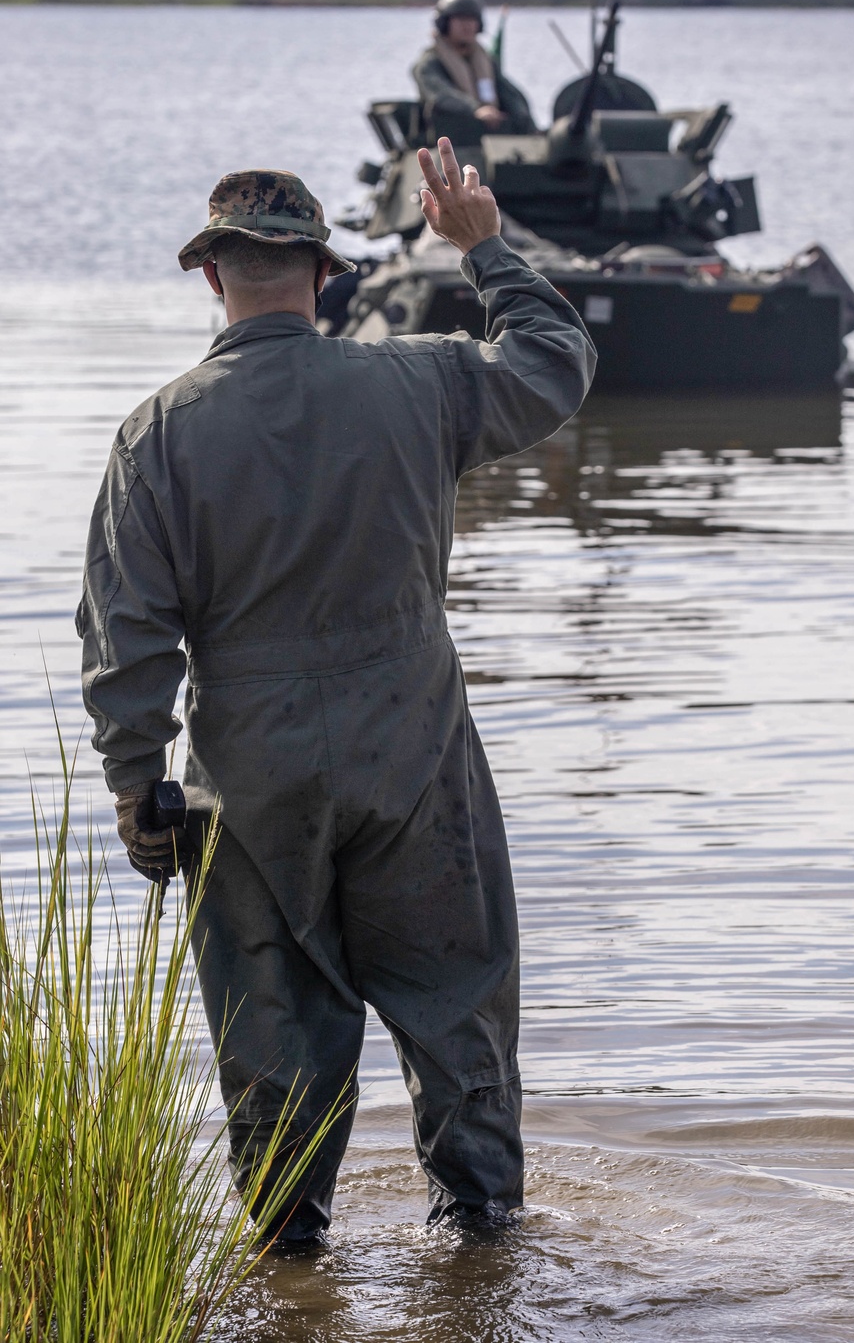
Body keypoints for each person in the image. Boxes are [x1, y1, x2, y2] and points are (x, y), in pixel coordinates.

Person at [77, 143, 595, 1246]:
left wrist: (137, 790)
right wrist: (484, 247)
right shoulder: (424, 379)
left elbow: (127, 646)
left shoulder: (157, 434)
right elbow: (555, 362)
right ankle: (481, 1257)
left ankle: (292, 1274)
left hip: (249, 783)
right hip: (414, 759)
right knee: (459, 1026)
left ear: (211, 278)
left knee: (273, 1056)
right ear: (322, 272)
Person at [412, 0, 535, 135]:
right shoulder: (430, 64)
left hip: (490, 136)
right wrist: (475, 109)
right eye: (460, 19)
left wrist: (524, 119)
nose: (467, 25)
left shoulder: (486, 61)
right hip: (448, 137)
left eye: (472, 19)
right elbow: (441, 95)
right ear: (444, 23)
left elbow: (509, 94)